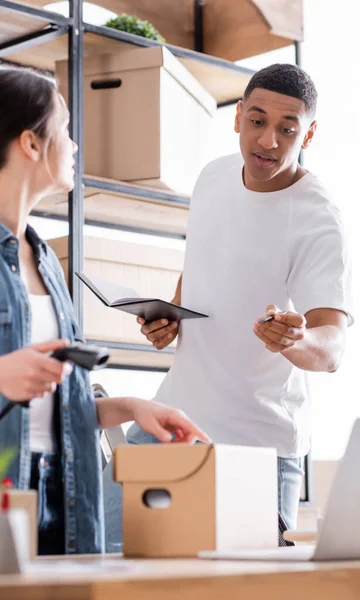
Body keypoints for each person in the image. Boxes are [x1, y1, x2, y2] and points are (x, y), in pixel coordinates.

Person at [131, 63, 353, 530]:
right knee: (109, 559)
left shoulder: (318, 218)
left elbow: (331, 348)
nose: (268, 140)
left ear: (308, 136)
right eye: (257, 121)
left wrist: (294, 341)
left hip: (255, 449)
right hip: (172, 419)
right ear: (237, 118)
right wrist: (169, 319)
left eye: (287, 129)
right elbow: (199, 263)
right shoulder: (213, 176)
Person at [0, 65, 210, 556]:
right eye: (66, 129)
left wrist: (134, 408)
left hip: (66, 494)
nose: (74, 145)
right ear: (31, 143)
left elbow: (59, 408)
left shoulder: (46, 258)